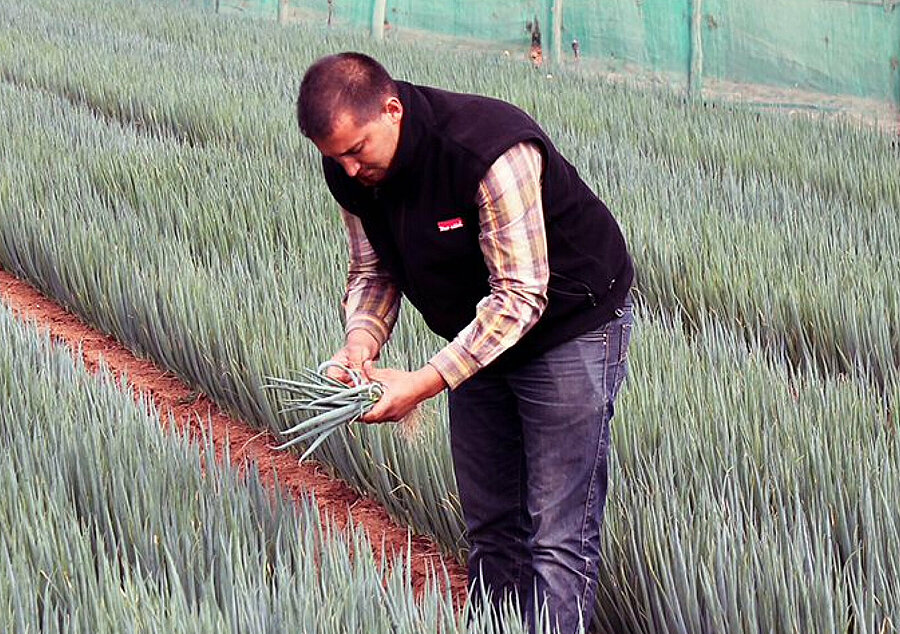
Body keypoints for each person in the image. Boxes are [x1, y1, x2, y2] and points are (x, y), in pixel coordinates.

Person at [296, 52, 634, 634]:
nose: (348, 171)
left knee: (557, 533)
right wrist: (360, 344)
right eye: (334, 158)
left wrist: (424, 383)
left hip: (568, 323)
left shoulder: (487, 152)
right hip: (475, 331)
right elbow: (373, 271)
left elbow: (521, 296)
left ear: (392, 109)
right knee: (492, 524)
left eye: (356, 151)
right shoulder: (350, 173)